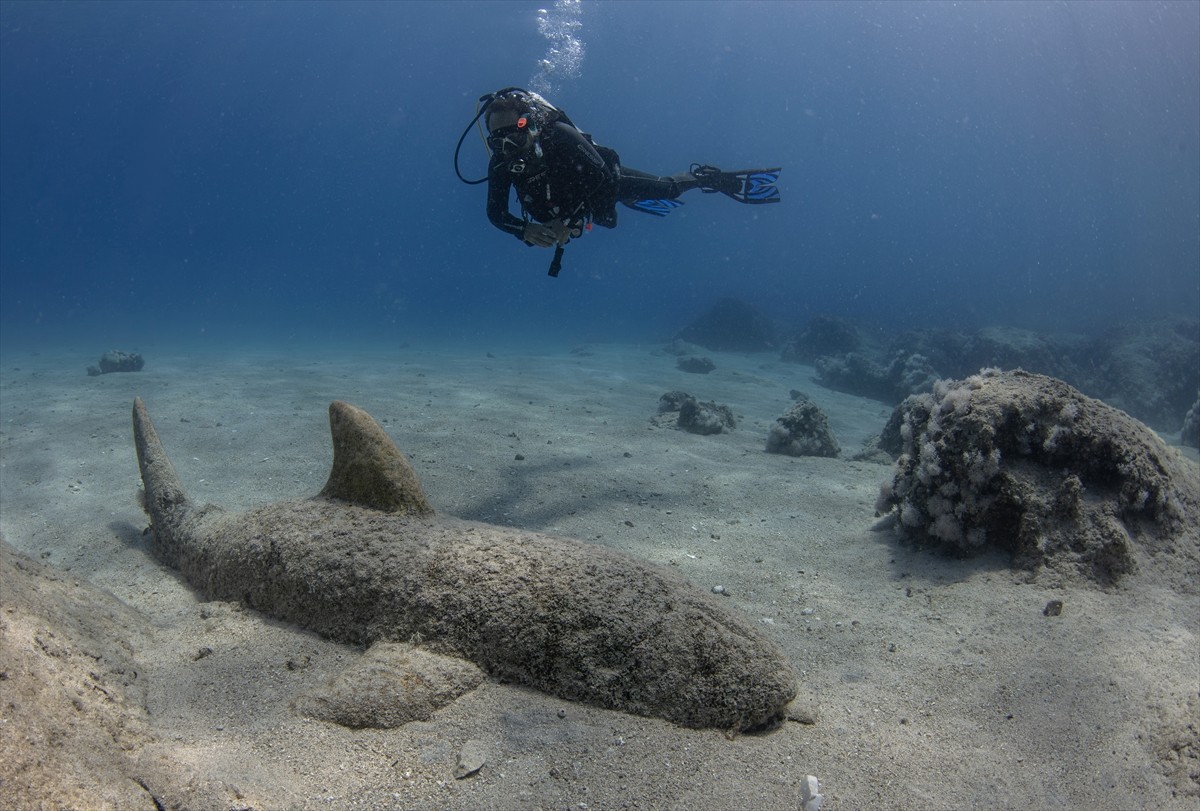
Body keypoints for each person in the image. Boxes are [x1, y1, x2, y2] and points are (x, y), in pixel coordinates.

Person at [455, 88, 780, 269]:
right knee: (596, 216)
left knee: (666, 189)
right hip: (559, 207)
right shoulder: (500, 163)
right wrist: (526, 229)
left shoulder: (560, 136)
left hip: (603, 182)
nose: (507, 148)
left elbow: (601, 175)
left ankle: (704, 177)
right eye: (498, 141)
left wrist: (570, 221)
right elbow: (495, 213)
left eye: (513, 136)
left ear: (528, 125)